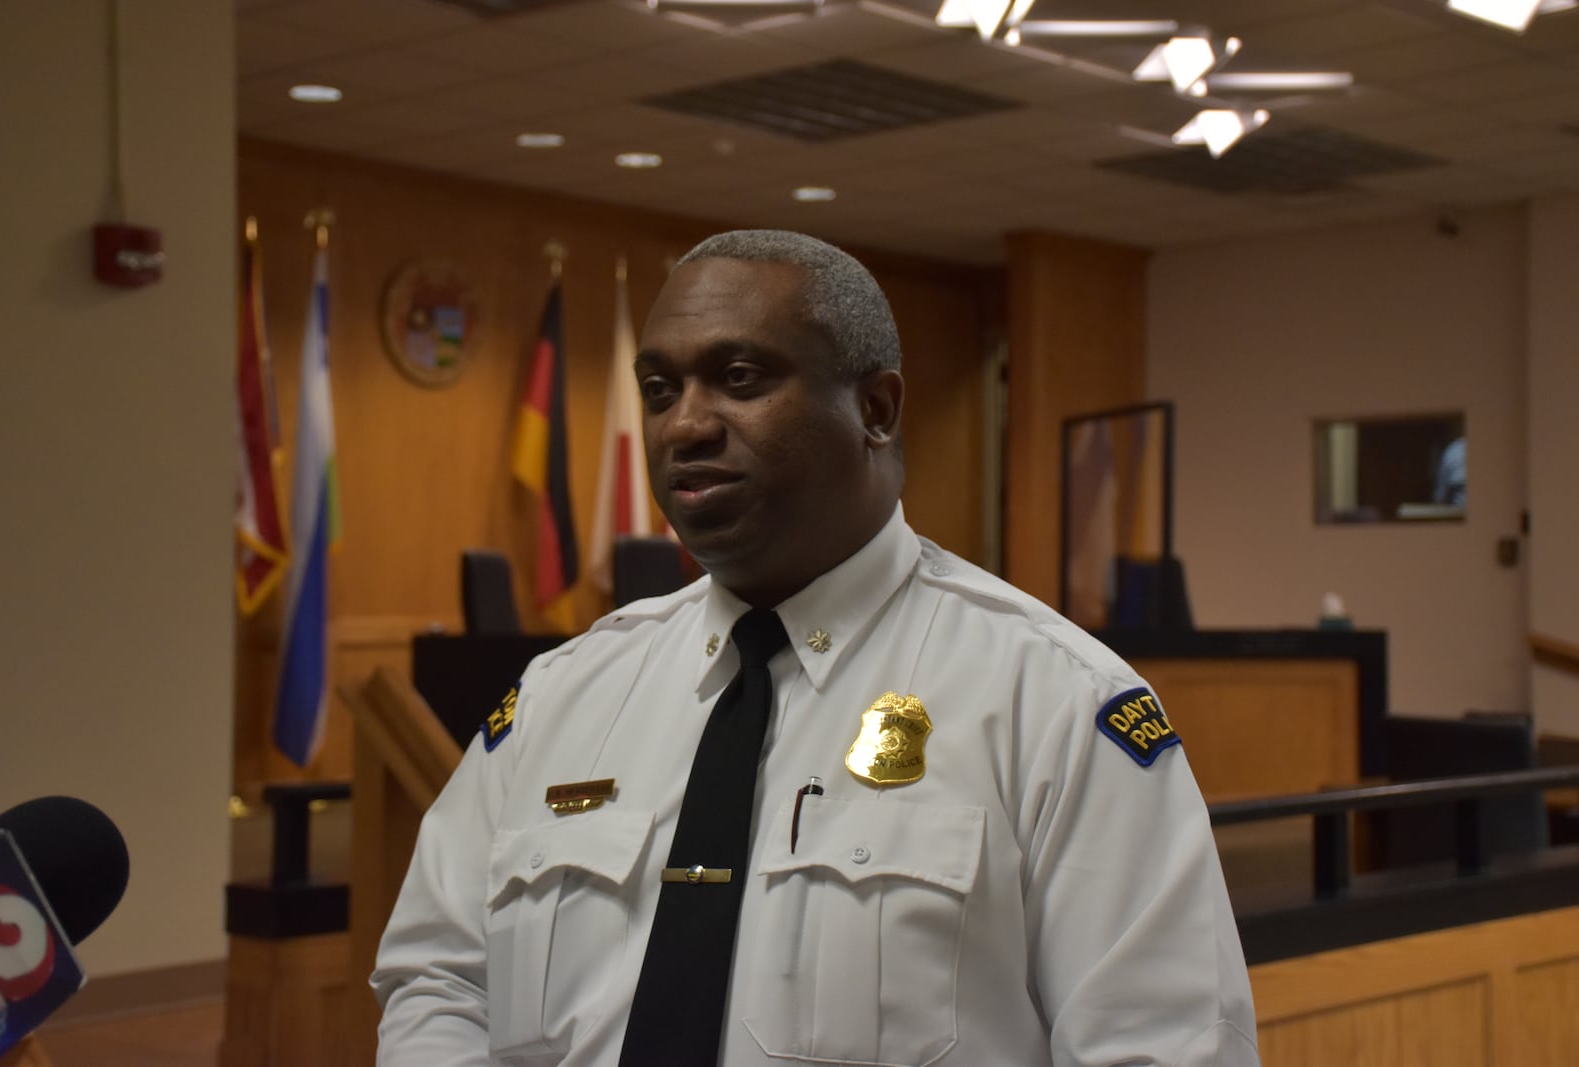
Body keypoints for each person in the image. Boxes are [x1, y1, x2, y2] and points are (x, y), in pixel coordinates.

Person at [372, 230, 1259, 1066]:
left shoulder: (1055, 701)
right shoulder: (564, 696)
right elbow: (439, 976)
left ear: (876, 408)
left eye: (741, 377)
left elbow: (1163, 1044)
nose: (686, 424)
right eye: (660, 390)